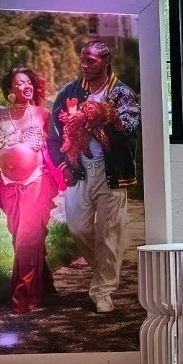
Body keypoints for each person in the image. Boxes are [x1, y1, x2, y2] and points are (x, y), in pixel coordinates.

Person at [49, 41, 139, 313]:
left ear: (106, 60)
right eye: (83, 60)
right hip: (79, 169)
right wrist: (62, 164)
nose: (85, 65)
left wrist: (107, 116)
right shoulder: (70, 91)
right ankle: (104, 270)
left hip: (111, 172)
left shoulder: (122, 92)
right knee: (78, 228)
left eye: (91, 61)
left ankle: (103, 292)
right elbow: (52, 132)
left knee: (109, 233)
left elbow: (132, 126)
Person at [0, 67, 59, 313]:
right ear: (9, 90)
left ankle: (23, 297)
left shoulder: (42, 114)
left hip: (36, 182)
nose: (27, 86)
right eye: (20, 83)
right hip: (7, 185)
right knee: (21, 237)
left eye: (29, 82)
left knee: (27, 238)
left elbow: (55, 149)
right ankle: (44, 284)